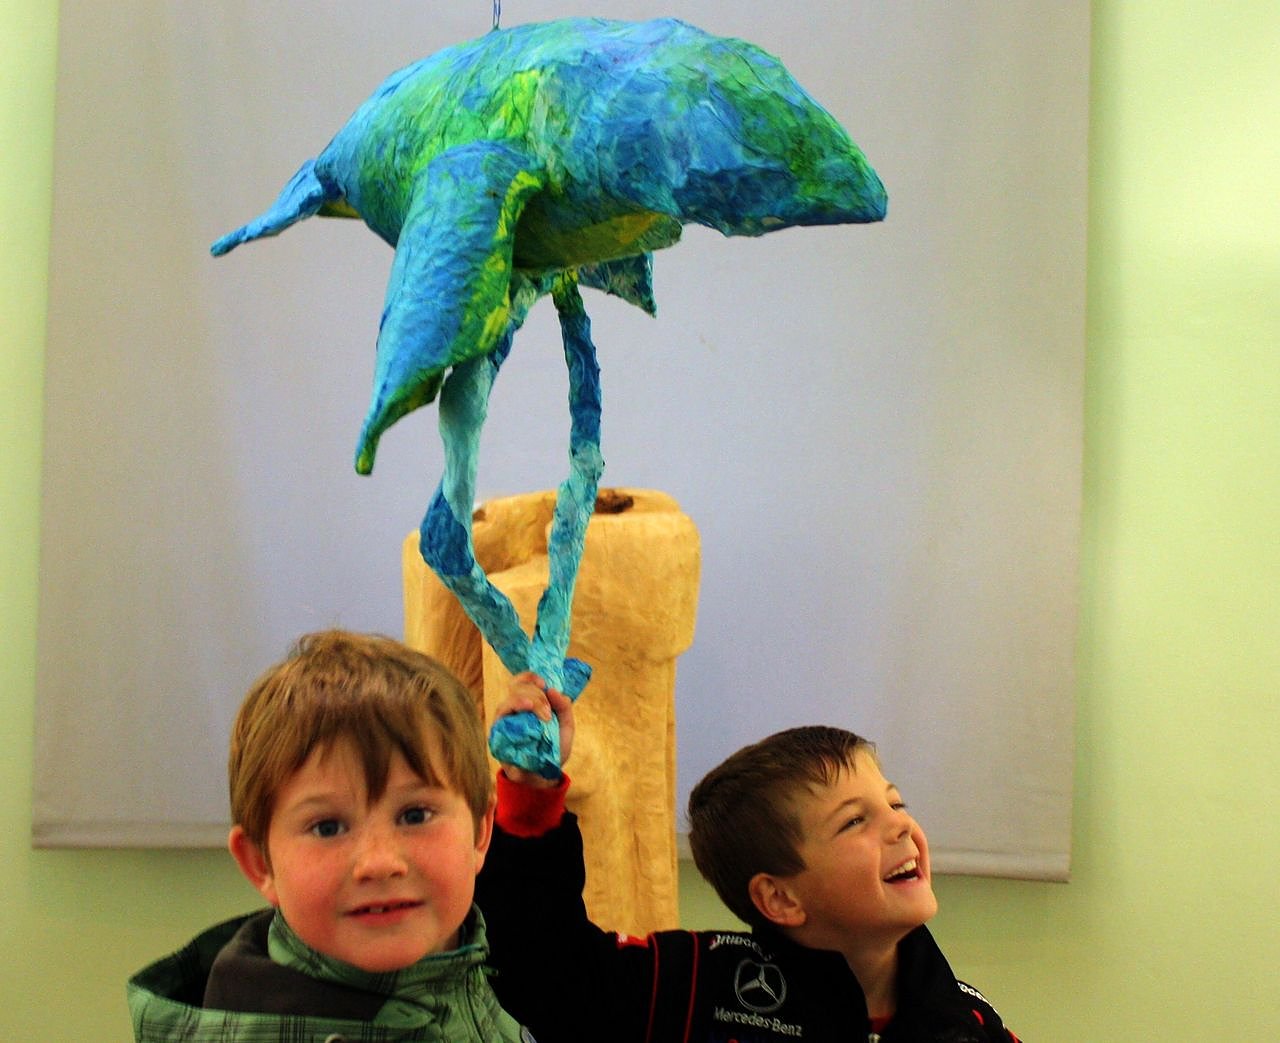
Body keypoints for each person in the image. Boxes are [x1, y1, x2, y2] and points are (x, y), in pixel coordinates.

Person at [477, 671, 1020, 1043]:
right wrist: (530, 794)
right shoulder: (693, 985)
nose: (900, 824)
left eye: (895, 803)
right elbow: (547, 970)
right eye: (855, 821)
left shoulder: (973, 1023)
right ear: (780, 898)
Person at [127, 630, 534, 1042]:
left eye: (414, 815)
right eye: (328, 827)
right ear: (260, 864)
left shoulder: (463, 959)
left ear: (480, 832)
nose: (379, 863)